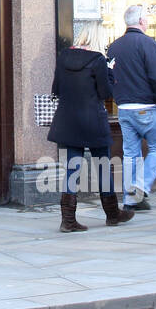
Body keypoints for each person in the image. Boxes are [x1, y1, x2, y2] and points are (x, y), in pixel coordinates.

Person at [49, 20, 133, 232]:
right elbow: (105, 93)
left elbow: (56, 88)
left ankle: (67, 220)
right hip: (92, 120)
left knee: (72, 167)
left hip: (68, 120)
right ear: (98, 39)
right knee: (103, 165)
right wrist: (109, 71)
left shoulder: (63, 56)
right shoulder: (98, 60)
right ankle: (112, 214)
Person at [106, 4, 156, 212]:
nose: (148, 20)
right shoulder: (148, 44)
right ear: (141, 21)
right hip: (147, 105)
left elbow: (110, 77)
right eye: (147, 17)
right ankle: (139, 189)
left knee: (131, 154)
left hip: (124, 108)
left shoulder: (114, 46)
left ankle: (130, 198)